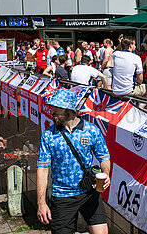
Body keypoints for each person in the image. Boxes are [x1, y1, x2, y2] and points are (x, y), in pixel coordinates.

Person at [37, 89, 110, 234]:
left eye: (57, 108)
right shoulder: (48, 135)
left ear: (69, 111)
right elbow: (42, 169)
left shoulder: (91, 130)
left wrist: (106, 173)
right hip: (62, 197)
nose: (52, 111)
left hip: (89, 191)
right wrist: (41, 202)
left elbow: (104, 157)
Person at [112, 36, 147, 107]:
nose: (135, 46)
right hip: (128, 90)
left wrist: (121, 42)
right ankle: (139, 108)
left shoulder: (116, 55)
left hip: (116, 90)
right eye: (134, 44)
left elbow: (116, 50)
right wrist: (138, 83)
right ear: (130, 45)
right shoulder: (136, 58)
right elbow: (140, 78)